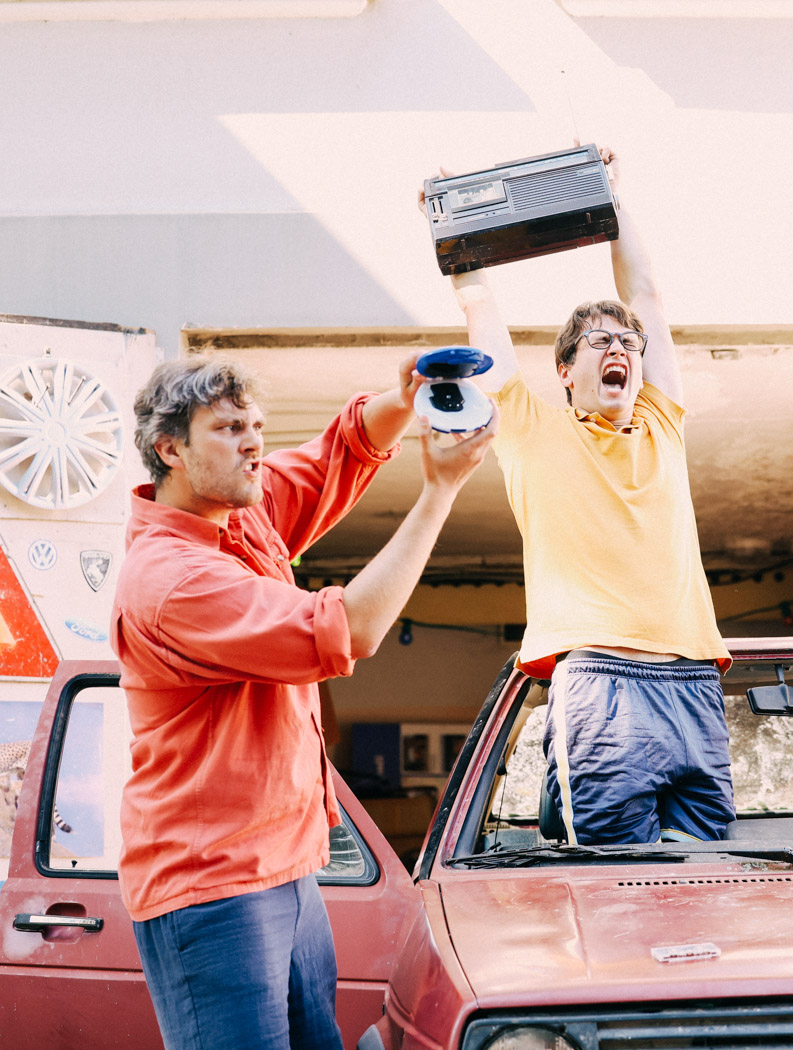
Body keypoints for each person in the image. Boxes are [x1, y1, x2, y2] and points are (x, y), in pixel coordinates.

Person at [114, 354, 495, 1050]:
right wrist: (439, 491)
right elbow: (352, 628)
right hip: (212, 888)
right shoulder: (173, 579)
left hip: (286, 870)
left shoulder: (241, 509)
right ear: (170, 450)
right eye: (229, 429)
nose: (254, 443)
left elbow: (340, 451)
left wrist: (406, 395)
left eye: (256, 425)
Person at [449, 146, 733, 846]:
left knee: (709, 882)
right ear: (565, 369)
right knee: (615, 882)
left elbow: (648, 297)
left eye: (628, 344)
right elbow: (481, 313)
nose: (620, 350)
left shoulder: (661, 422)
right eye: (600, 342)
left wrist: (610, 197)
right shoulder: (530, 428)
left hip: (693, 678)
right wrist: (457, 234)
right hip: (602, 684)